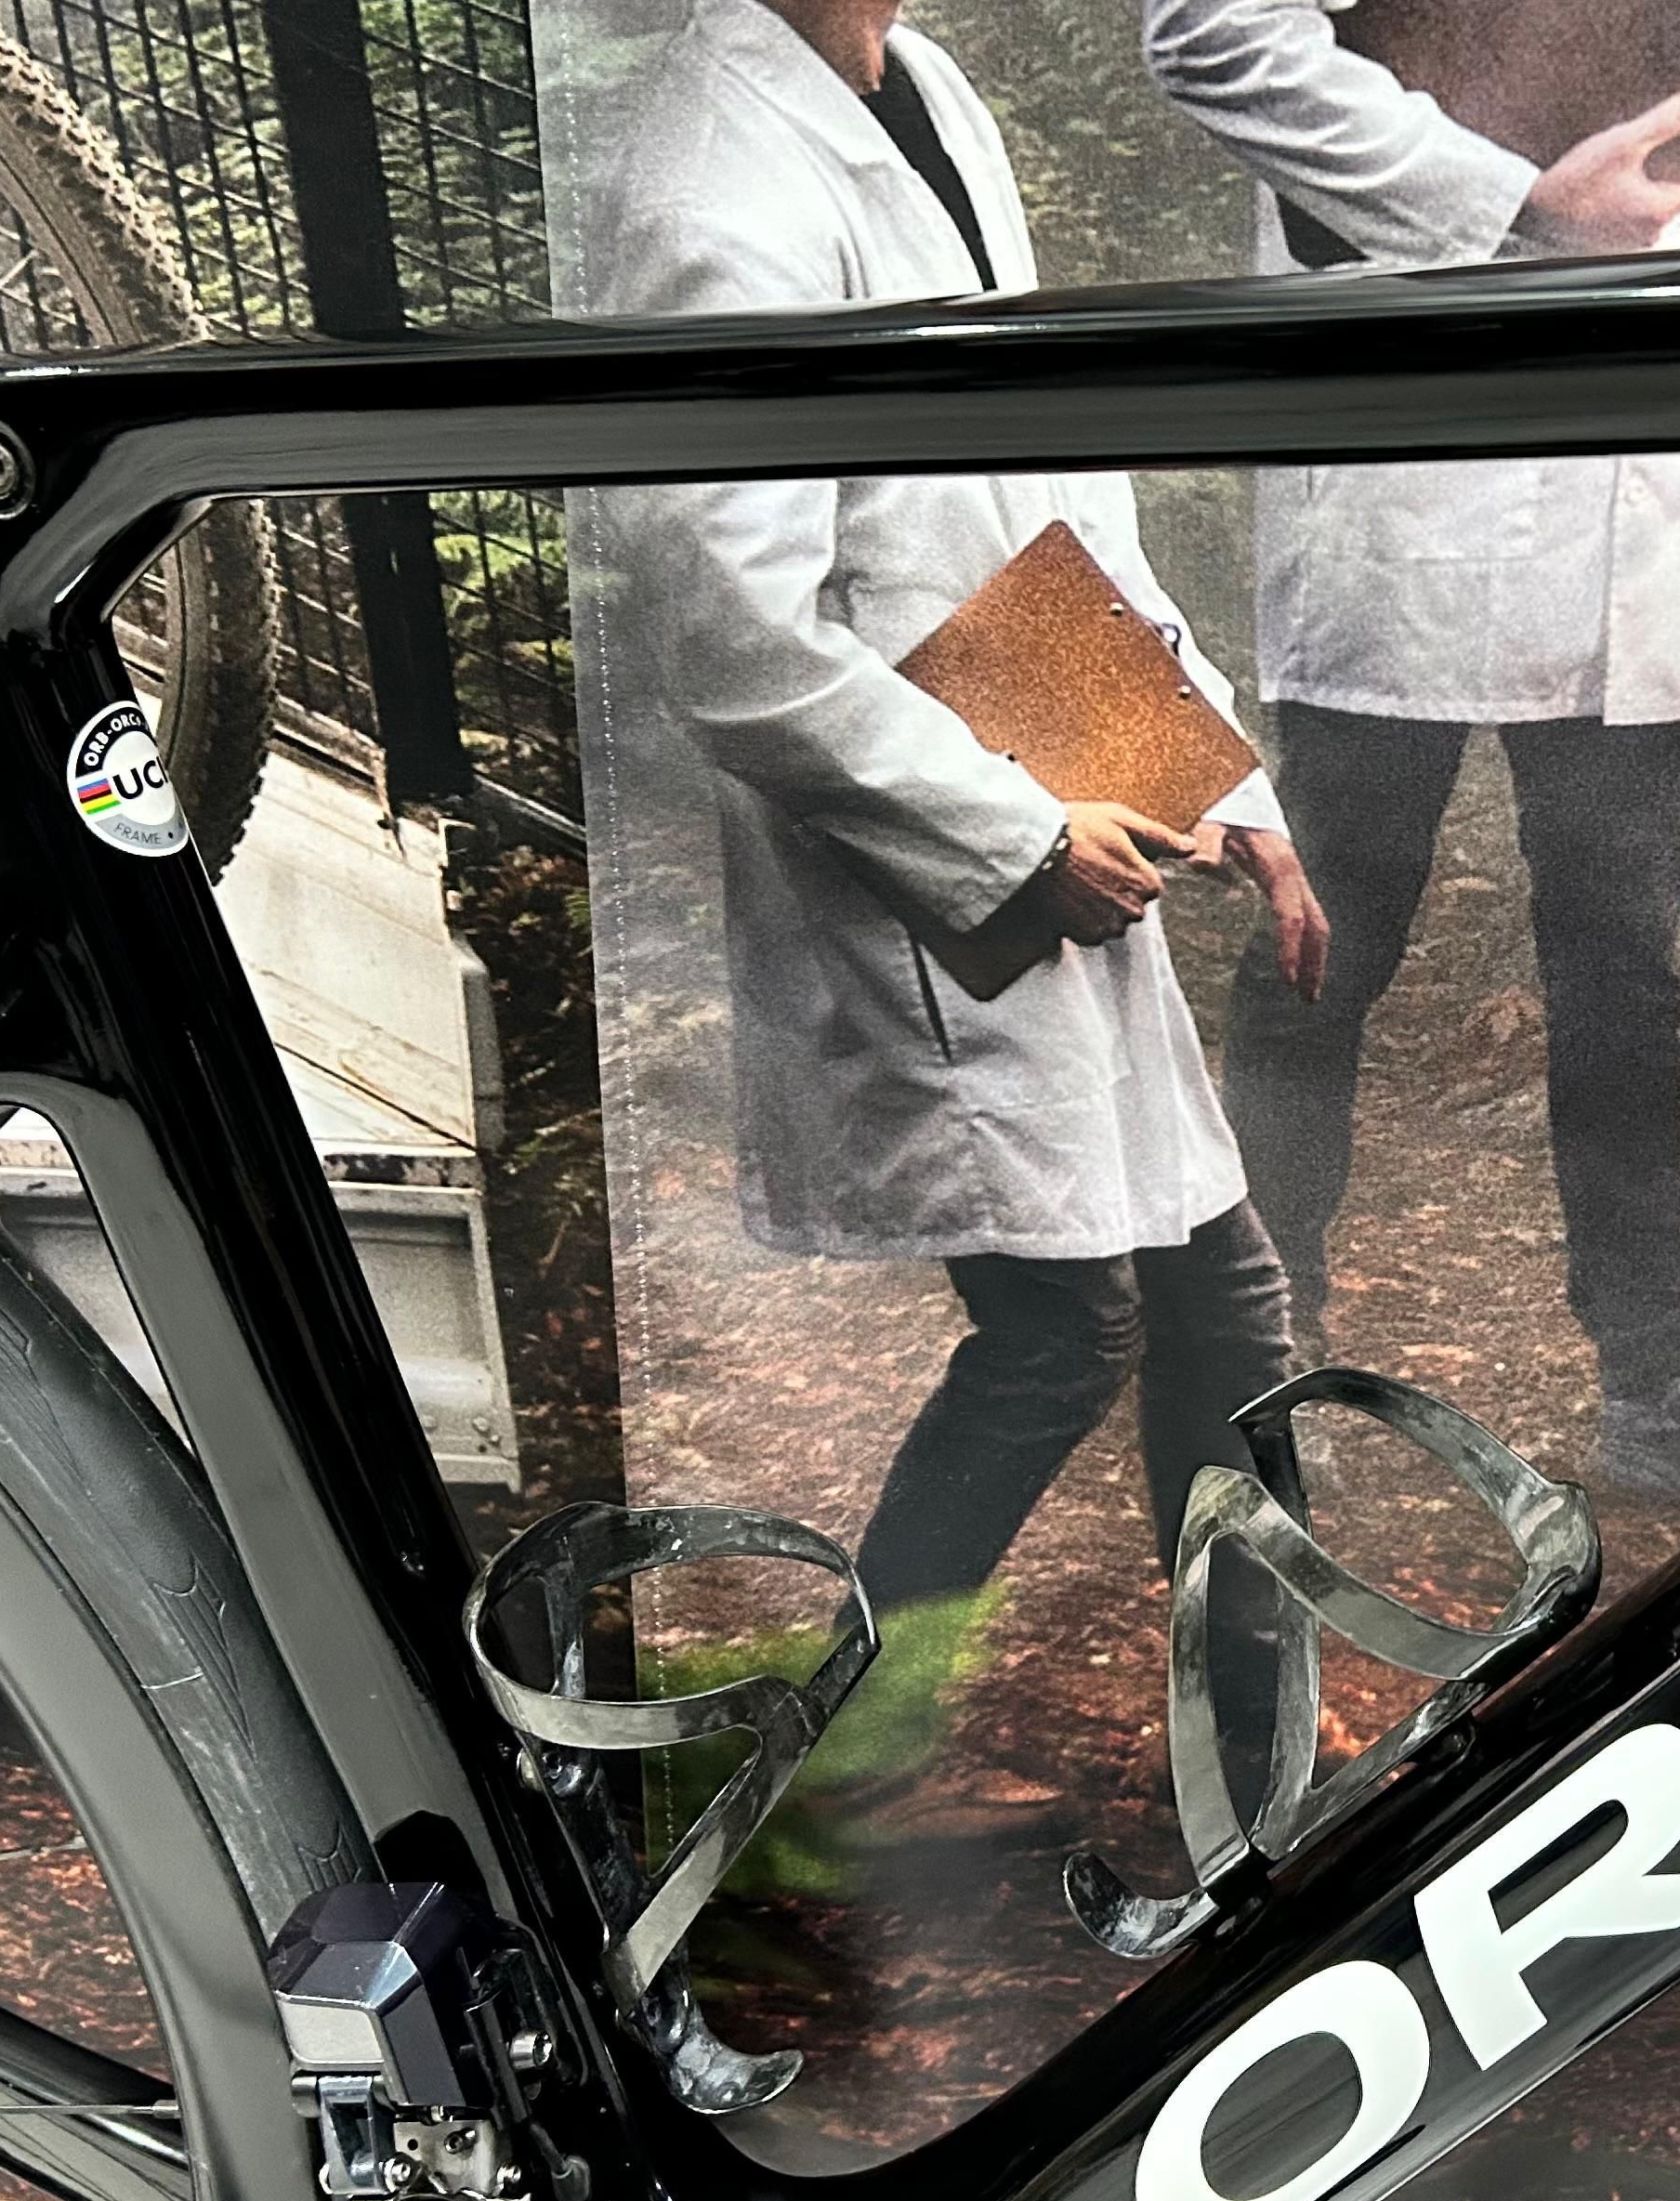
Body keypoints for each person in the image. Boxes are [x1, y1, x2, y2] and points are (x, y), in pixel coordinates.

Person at [568, 0, 1333, 1615]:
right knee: (1064, 1336)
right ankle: (852, 1738)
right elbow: (739, 642)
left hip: (1047, 764)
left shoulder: (918, 91)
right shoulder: (712, 185)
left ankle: (1250, 1720)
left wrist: (1213, 779)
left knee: (1214, 1310)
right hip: (920, 858)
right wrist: (1015, 839)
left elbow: (1040, 500)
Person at [1141, 0, 1680, 1512]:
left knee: (1622, 966)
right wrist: (1512, 202)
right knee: (1328, 937)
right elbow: (1210, 33)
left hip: (1642, 458)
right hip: (1417, 446)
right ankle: (1254, 1364)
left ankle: (1650, 1379)